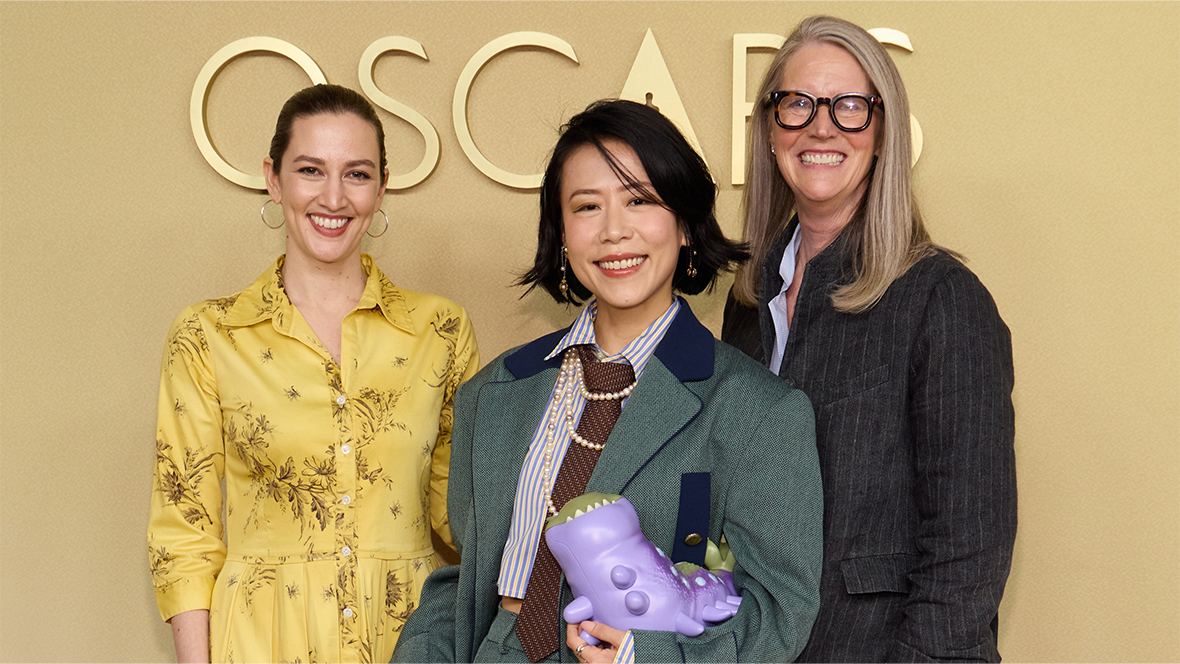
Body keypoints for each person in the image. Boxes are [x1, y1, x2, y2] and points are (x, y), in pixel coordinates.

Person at [392, 99, 822, 664]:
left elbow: (780, 609)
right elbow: (464, 583)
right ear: (562, 234)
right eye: (587, 206)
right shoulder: (493, 394)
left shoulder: (759, 411)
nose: (614, 231)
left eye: (639, 200)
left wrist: (649, 656)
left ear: (685, 224)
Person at [148, 84, 479, 663]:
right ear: (274, 180)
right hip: (260, 642)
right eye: (310, 170)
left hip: (410, 641)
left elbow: (466, 517)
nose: (333, 197)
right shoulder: (208, 335)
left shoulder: (441, 330)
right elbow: (184, 534)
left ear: (381, 187)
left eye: (356, 174)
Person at [721, 15, 1017, 662]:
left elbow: (968, 547)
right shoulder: (746, 303)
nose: (821, 127)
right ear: (770, 129)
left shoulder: (942, 300)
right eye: (797, 103)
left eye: (850, 107)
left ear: (882, 133)